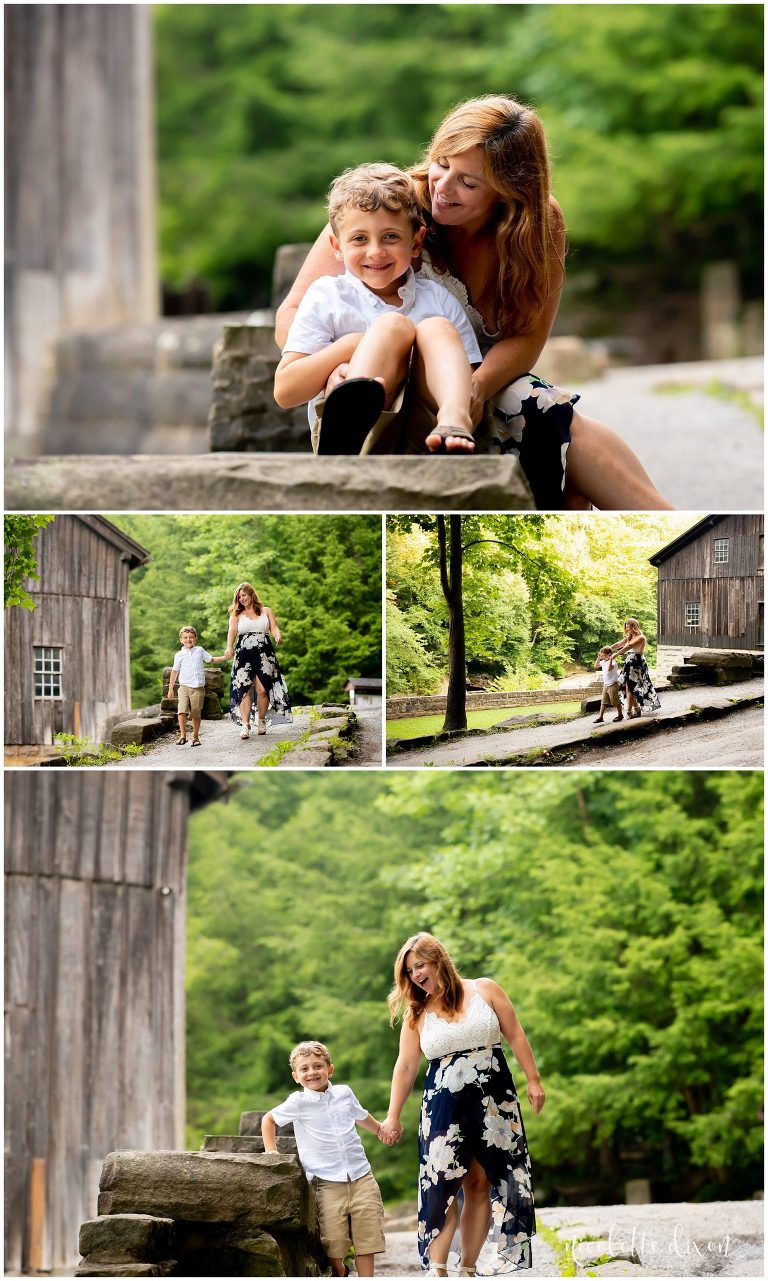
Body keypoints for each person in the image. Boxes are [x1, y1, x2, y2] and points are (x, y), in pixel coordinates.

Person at [276, 95, 673, 511]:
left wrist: (473, 389)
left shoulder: (537, 227)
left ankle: (649, 515)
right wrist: (339, 361)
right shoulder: (390, 208)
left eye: (469, 182)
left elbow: (527, 340)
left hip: (467, 379)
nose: (442, 188)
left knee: (538, 406)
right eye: (442, 163)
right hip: (378, 380)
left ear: (508, 192)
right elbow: (294, 315)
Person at [274, 163, 482, 456]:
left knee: (434, 328)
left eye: (391, 237)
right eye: (359, 238)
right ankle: (348, 426)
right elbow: (285, 391)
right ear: (336, 245)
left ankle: (454, 422)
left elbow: (472, 381)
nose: (376, 251)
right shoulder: (328, 297)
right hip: (364, 438)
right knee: (392, 327)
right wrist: (351, 346)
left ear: (416, 242)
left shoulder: (438, 299)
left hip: (428, 430)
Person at [380, 932, 544, 1277]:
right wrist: (392, 1116)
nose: (416, 976)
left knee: (480, 1183)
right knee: (443, 1184)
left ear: (438, 959)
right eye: (409, 972)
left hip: (494, 1101)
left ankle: (468, 1268)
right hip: (444, 1105)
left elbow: (515, 1033)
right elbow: (406, 1066)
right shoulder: (417, 1013)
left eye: (419, 966)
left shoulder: (485, 989)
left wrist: (533, 1080)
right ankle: (438, 1269)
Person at [262, 1040, 388, 1277]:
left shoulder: (344, 1093)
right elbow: (268, 1120)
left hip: (361, 1175)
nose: (312, 1072)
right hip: (326, 1181)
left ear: (330, 1069)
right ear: (296, 1076)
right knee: (333, 1240)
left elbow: (361, 1116)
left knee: (367, 1236)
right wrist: (271, 1151)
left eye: (318, 1066)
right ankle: (339, 1269)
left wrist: (381, 1129)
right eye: (305, 1068)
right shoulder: (298, 1102)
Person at [224, 582, 292, 739]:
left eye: (244, 596)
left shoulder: (266, 611)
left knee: (262, 689)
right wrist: (229, 647)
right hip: (243, 654)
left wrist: (277, 636)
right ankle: (245, 726)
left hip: (264, 653)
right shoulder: (236, 614)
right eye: (239, 597)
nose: (241, 599)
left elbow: (274, 627)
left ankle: (261, 721)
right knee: (244, 690)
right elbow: (232, 632)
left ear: (251, 594)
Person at [167, 625, 226, 747]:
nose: (188, 639)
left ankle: (195, 736)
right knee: (181, 711)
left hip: (198, 688)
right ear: (181, 639)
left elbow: (211, 660)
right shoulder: (179, 655)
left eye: (191, 637)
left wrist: (225, 657)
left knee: (195, 712)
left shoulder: (199, 650)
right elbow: (174, 671)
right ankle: (183, 736)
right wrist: (171, 688)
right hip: (184, 687)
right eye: (186, 637)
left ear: (195, 639)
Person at [609, 618, 662, 718]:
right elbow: (618, 644)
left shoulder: (641, 637)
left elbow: (629, 647)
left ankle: (629, 711)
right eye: (625, 627)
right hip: (629, 662)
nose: (626, 629)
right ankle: (636, 709)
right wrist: (608, 649)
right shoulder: (629, 637)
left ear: (633, 626)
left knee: (631, 686)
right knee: (627, 686)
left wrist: (615, 655)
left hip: (637, 662)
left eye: (628, 627)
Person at [592, 645, 624, 724]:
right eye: (601, 655)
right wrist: (598, 657)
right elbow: (596, 666)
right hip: (606, 684)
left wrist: (611, 658)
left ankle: (620, 715)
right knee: (604, 701)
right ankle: (600, 717)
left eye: (603, 655)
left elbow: (609, 669)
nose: (602, 657)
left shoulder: (613, 662)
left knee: (615, 701)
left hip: (613, 684)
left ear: (609, 654)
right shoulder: (603, 662)